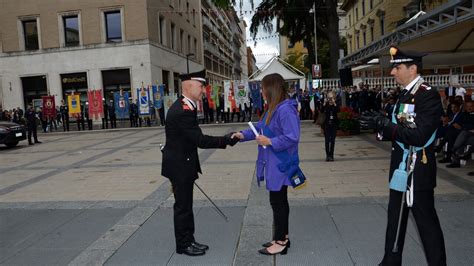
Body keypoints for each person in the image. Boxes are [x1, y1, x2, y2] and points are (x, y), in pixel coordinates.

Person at [375, 46, 446, 266]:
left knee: (426, 222)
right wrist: (380, 125)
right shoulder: (406, 94)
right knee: (395, 217)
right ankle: (390, 261)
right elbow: (402, 127)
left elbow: (419, 135)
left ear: (413, 68)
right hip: (401, 168)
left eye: (397, 67)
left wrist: (389, 128)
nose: (392, 72)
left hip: (418, 170)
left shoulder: (427, 95)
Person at [161, 69, 239, 257]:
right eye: (201, 86)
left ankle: (189, 239)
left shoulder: (185, 106)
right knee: (183, 207)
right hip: (180, 167)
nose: (204, 90)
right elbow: (200, 140)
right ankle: (183, 245)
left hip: (181, 164)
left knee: (185, 205)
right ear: (188, 86)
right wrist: (226, 140)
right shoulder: (183, 111)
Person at [232, 73, 300, 256]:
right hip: (276, 162)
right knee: (278, 201)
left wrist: (269, 141)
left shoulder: (285, 110)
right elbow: (260, 127)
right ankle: (282, 236)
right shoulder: (275, 108)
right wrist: (243, 135)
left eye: (262, 88)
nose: (260, 92)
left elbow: (293, 137)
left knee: (277, 202)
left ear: (271, 89)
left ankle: (281, 241)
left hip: (280, 163)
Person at [321, 91, 339, 161]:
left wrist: (334, 103)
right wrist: (324, 103)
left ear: (334, 97)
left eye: (331, 97)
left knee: (332, 141)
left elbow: (338, 110)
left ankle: (331, 155)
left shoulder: (335, 104)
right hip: (326, 125)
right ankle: (327, 155)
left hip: (334, 124)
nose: (330, 99)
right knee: (327, 140)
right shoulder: (326, 104)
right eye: (329, 97)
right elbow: (321, 111)